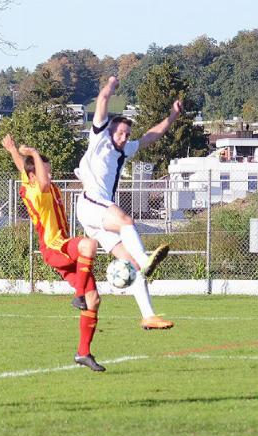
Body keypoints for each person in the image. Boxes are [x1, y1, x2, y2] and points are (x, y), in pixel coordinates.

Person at [75, 76, 180, 330]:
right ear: (109, 130)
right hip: (91, 203)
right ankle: (145, 260)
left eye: (127, 134)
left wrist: (172, 116)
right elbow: (102, 99)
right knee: (126, 221)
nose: (123, 137)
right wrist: (112, 83)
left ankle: (148, 315)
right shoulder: (99, 138)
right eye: (120, 132)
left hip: (98, 215)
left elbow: (150, 137)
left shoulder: (124, 150)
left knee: (131, 265)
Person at [3, 135, 105, 371]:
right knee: (88, 245)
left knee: (94, 300)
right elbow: (39, 179)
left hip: (63, 248)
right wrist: (35, 153)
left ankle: (83, 353)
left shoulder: (33, 181)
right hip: (54, 246)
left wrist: (12, 151)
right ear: (33, 177)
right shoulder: (36, 191)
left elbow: (23, 167)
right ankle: (78, 295)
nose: (49, 176)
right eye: (44, 172)